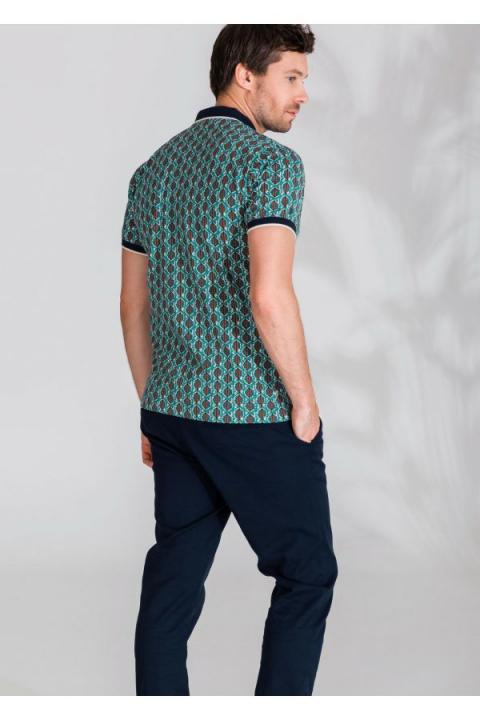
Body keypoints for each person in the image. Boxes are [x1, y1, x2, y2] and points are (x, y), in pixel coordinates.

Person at [119, 24, 338, 696]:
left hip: (174, 414)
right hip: (252, 416)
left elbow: (132, 307)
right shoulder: (270, 165)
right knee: (307, 574)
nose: (303, 93)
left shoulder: (152, 172)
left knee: (173, 581)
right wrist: (305, 404)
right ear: (245, 74)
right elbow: (270, 297)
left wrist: (151, 405)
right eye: (291, 77)